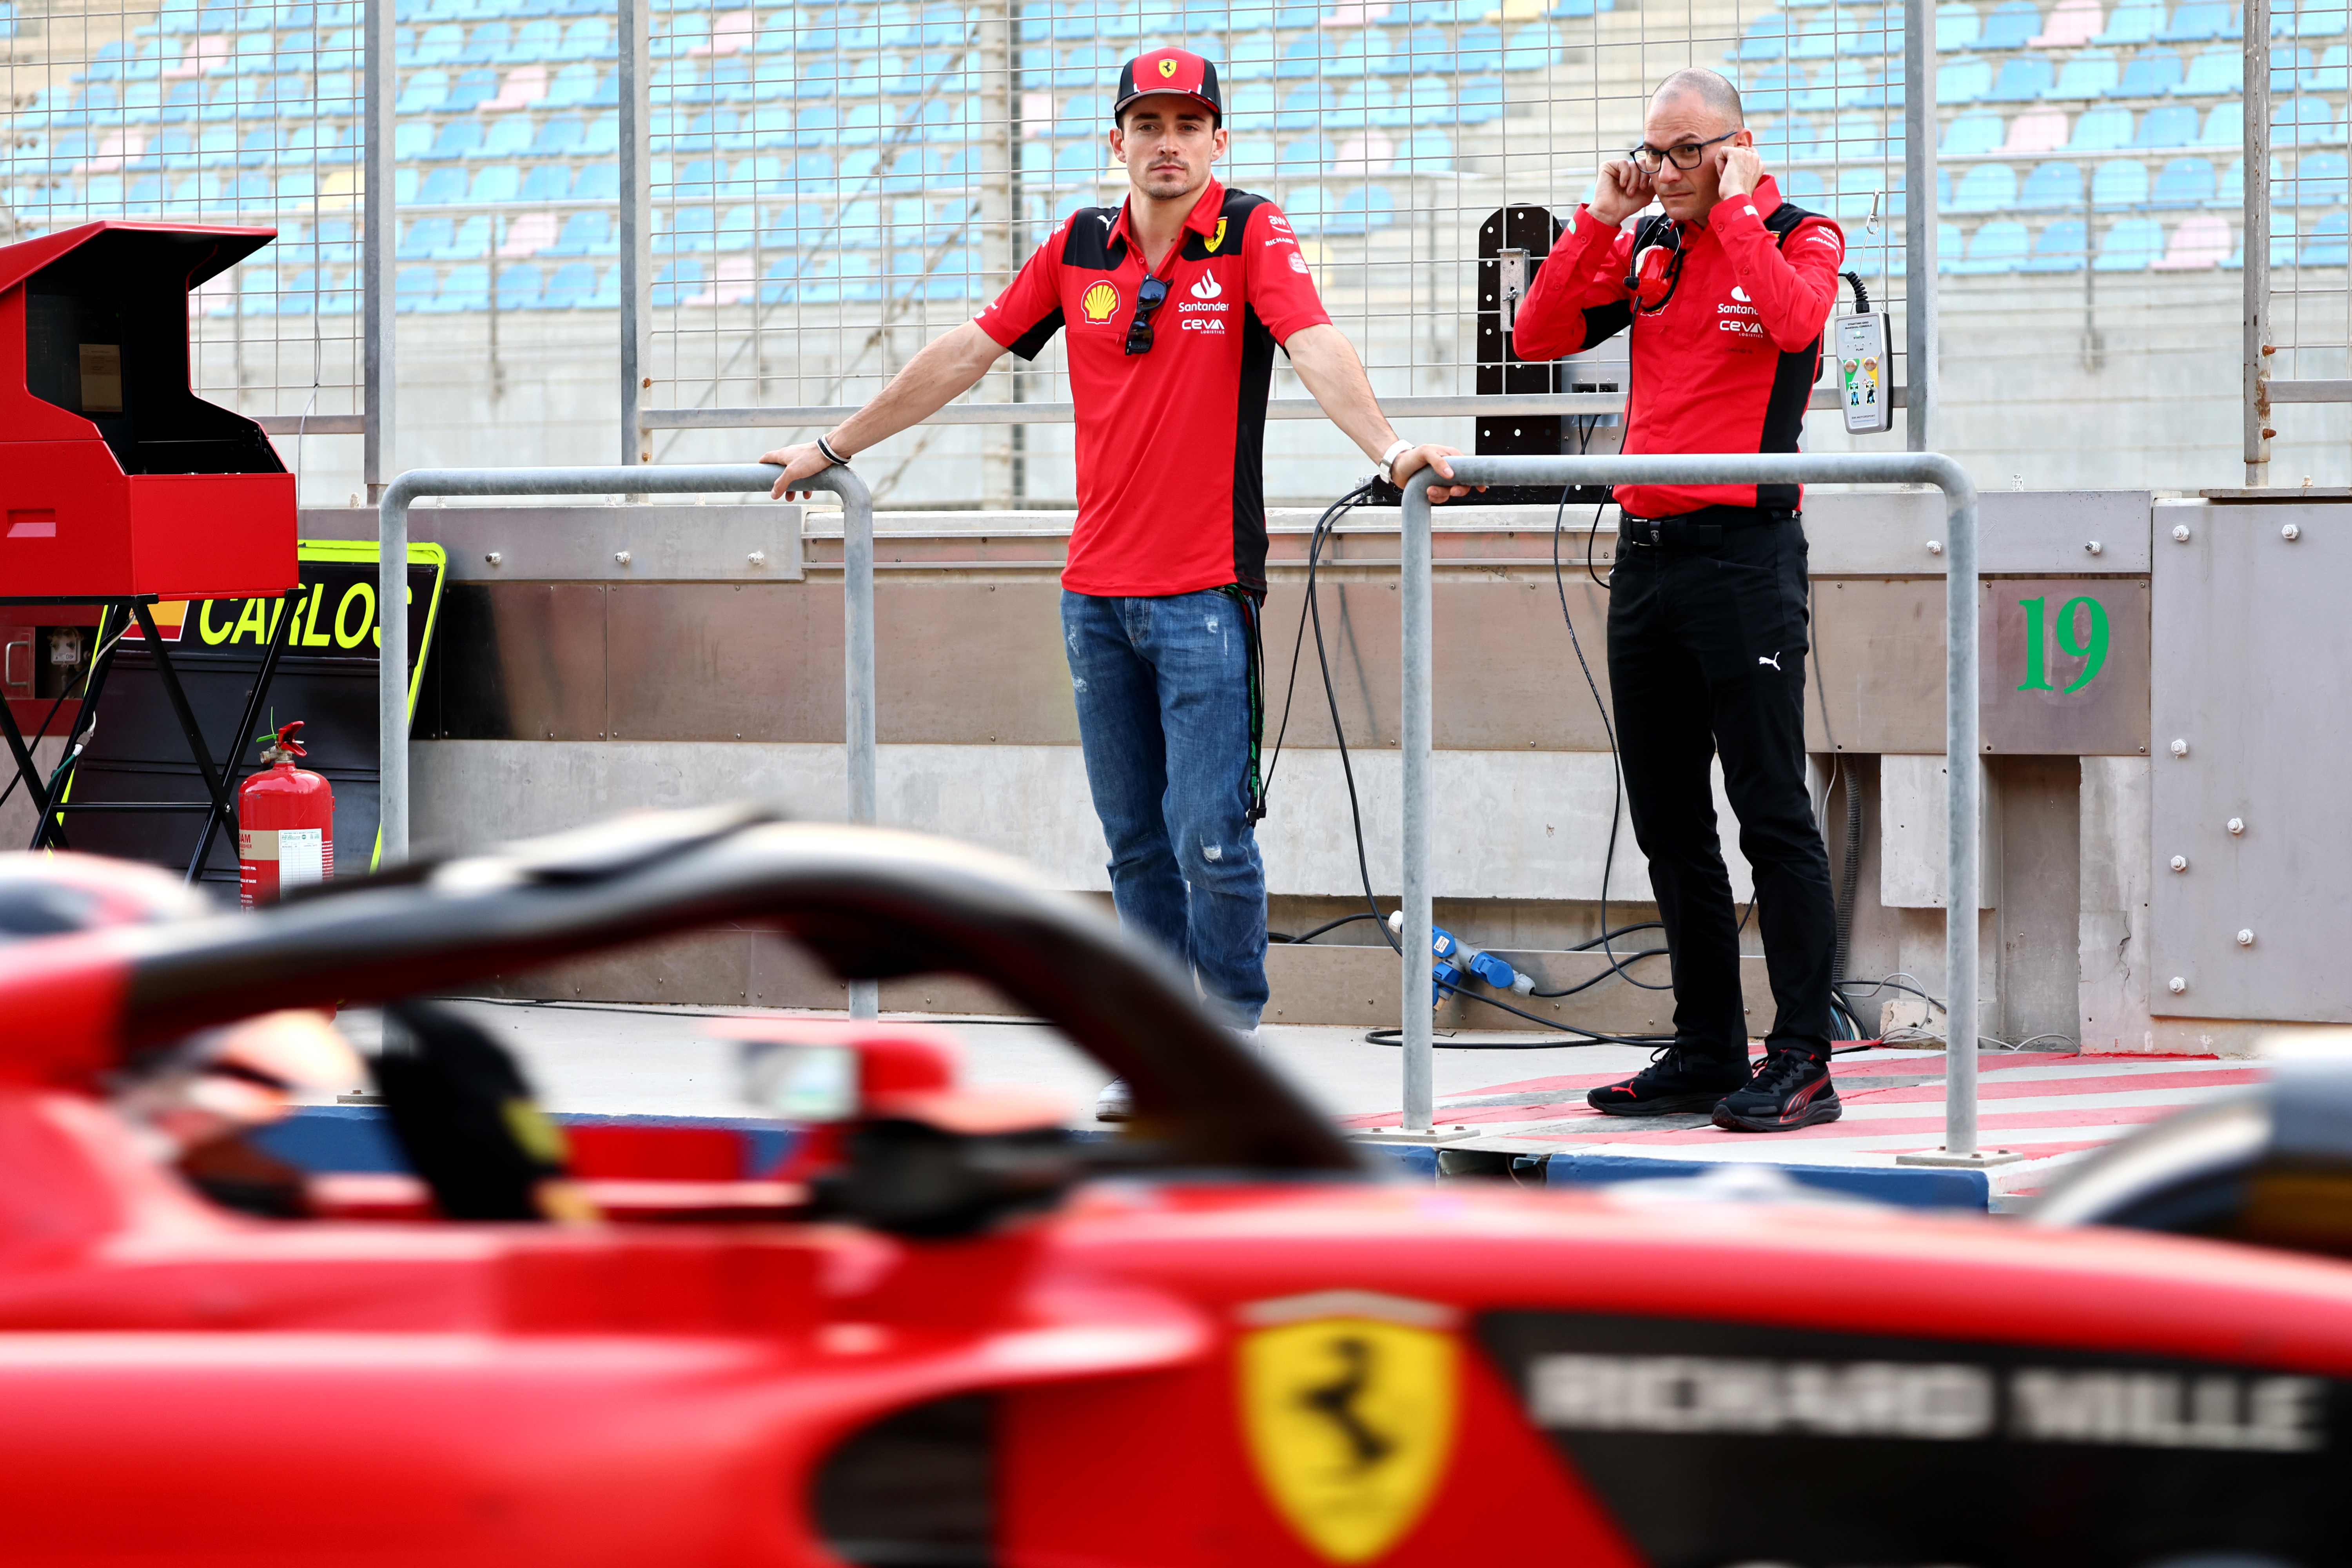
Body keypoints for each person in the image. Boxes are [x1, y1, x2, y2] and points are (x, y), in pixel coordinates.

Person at [762, 47, 1470, 1120]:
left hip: (1203, 597)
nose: (1170, 144)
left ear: (1219, 142)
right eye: (1151, 125)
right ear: (1118, 142)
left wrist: (1388, 448)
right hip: (1093, 599)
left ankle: (1226, 1042)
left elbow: (1313, 339)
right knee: (1134, 844)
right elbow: (971, 348)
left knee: (1211, 833)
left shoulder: (1251, 232)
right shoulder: (1078, 245)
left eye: (1191, 125)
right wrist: (835, 441)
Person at [1511, 67, 1848, 1134]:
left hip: (1745, 554)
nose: (1667, 171)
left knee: (1771, 811)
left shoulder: (1797, 232)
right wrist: (1600, 219)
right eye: (1656, 151)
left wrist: (1740, 207)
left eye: (1687, 151)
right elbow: (1539, 335)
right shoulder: (1649, 241)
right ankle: (1708, 1045)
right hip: (1647, 556)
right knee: (1666, 816)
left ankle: (1803, 1057)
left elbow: (1796, 326)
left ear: (1738, 146)